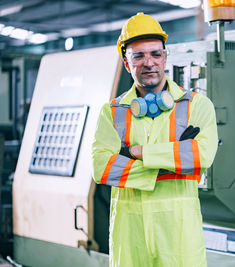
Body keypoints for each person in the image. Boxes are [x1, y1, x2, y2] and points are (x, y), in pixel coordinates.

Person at [91, 12, 218, 267]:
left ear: (165, 58)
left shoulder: (196, 106)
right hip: (130, 236)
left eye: (155, 54)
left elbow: (202, 156)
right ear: (127, 63)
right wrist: (173, 163)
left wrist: (137, 153)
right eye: (138, 56)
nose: (148, 63)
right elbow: (102, 169)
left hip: (178, 238)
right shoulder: (112, 112)